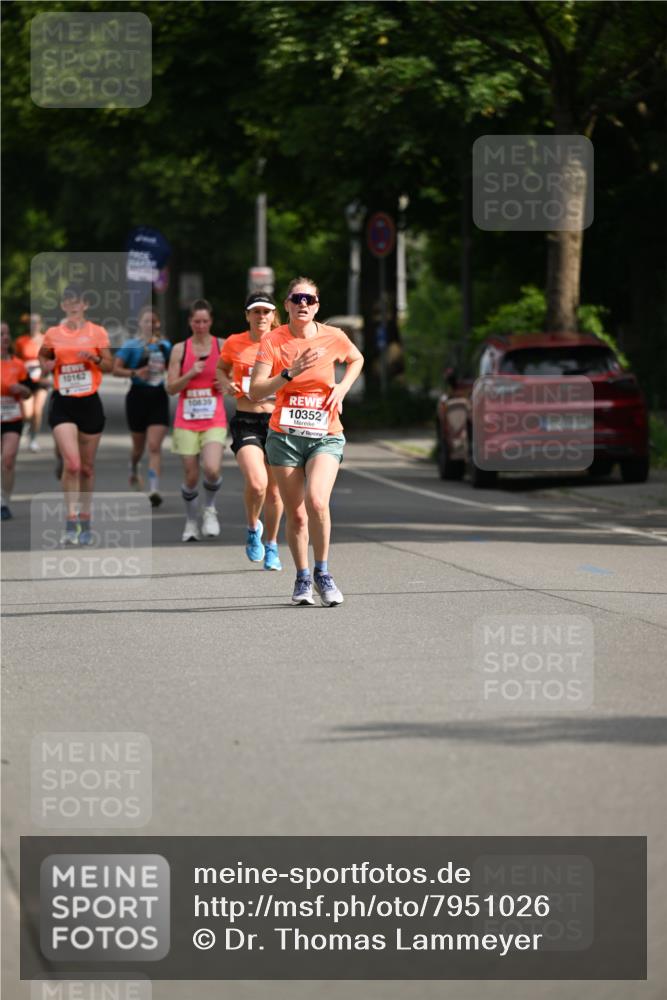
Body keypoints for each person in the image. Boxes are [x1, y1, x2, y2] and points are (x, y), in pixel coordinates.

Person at [249, 277, 364, 606]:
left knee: (317, 502)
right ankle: (302, 578)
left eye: (309, 300)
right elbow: (255, 391)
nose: (303, 304)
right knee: (297, 515)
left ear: (316, 306)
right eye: (297, 298)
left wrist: (342, 388)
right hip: (284, 438)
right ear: (286, 305)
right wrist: (289, 372)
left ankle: (322, 573)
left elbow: (356, 359)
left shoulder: (333, 336)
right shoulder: (273, 340)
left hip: (325, 434)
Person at [38, 286, 113, 544]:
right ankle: (71, 521)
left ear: (85, 305)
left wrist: (94, 358)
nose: (72, 306)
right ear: (62, 306)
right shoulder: (53, 334)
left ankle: (86, 519)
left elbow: (110, 365)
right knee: (73, 465)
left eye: (76, 301)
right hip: (63, 402)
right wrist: (46, 365)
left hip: (90, 403)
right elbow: (42, 356)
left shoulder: (97, 332)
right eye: (67, 301)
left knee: (87, 469)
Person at [217, 291, 284, 571]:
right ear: (247, 315)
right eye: (256, 311)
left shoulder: (284, 341)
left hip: (278, 421)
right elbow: (221, 369)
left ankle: (272, 544)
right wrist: (226, 383)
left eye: (266, 311)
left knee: (275, 492)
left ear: (273, 315)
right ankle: (253, 528)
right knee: (257, 484)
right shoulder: (235, 342)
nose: (261, 316)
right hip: (246, 419)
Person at [166, 298, 227, 542]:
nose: (201, 326)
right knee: (191, 476)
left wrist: (225, 384)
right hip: (186, 420)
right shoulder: (180, 350)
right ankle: (191, 521)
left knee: (212, 469)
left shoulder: (222, 346)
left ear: (210, 322)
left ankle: (209, 509)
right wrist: (190, 374)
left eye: (205, 321)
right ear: (190, 322)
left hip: (214, 419)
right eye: (196, 322)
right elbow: (171, 388)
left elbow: (234, 378)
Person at [113, 305, 172, 507]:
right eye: (146, 321)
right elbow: (116, 369)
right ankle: (133, 466)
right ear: (139, 323)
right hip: (137, 397)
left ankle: (154, 489)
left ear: (158, 324)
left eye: (153, 321)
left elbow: (174, 367)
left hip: (158, 396)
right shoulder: (131, 345)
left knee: (154, 446)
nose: (150, 324)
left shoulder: (165, 346)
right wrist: (135, 373)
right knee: (138, 448)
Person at [1, 323, 33, 520]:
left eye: (7, 334)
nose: (5, 337)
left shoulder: (18, 364)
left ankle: (3, 502)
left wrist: (22, 390)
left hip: (12, 417)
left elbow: (29, 392)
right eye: (0, 334)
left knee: (8, 459)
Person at [14, 313, 49, 451]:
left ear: (41, 324)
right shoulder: (21, 341)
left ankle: (33, 440)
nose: (34, 325)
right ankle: (26, 426)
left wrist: (46, 374)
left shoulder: (46, 340)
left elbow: (53, 360)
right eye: (31, 323)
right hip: (26, 381)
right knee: (27, 413)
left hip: (41, 380)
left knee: (37, 411)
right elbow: (16, 360)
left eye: (36, 322)